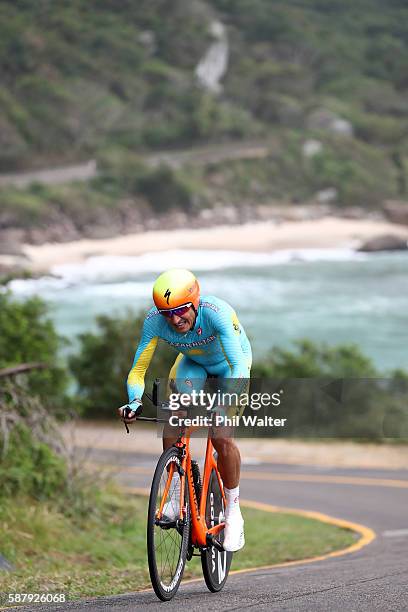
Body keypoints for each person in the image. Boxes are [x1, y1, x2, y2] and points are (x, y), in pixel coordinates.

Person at [119, 268, 252, 552]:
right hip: (193, 365)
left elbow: (239, 366)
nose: (175, 320)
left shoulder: (216, 313)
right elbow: (138, 370)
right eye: (167, 313)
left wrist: (224, 401)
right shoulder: (155, 322)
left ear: (195, 302)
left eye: (180, 310)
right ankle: (175, 490)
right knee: (172, 411)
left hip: (231, 366)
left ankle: (233, 512)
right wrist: (134, 400)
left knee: (221, 435)